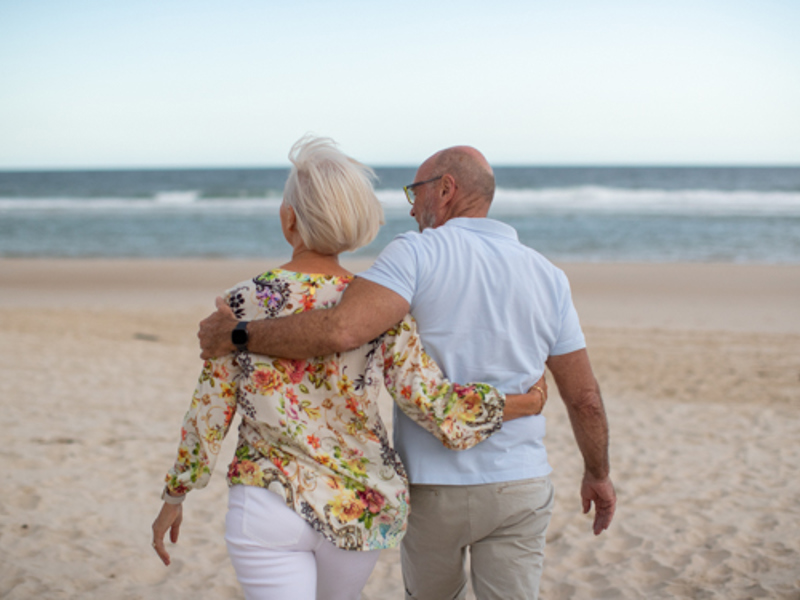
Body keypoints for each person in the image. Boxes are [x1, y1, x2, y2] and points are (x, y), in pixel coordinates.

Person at [151, 136, 548, 600]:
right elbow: (435, 406)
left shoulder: (244, 303)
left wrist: (175, 496)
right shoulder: (380, 306)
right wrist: (521, 403)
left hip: (266, 501)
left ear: (288, 220)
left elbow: (209, 413)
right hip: (357, 505)